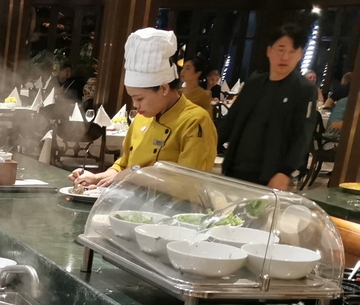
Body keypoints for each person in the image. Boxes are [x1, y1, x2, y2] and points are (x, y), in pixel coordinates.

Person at [71, 28, 217, 188]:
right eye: (132, 98)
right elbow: (123, 165)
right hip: (130, 199)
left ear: (163, 88)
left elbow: (188, 185)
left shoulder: (195, 121)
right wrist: (96, 177)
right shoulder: (141, 117)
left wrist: (135, 176)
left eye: (139, 98)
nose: (135, 104)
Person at [217, 23, 318, 191]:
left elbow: (303, 135)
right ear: (269, 51)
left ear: (300, 55)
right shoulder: (254, 83)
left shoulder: (304, 89)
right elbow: (230, 121)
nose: (285, 57)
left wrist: (285, 171)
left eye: (292, 51)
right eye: (280, 49)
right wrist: (209, 147)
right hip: (234, 168)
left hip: (270, 175)